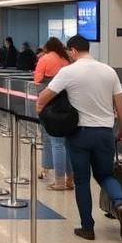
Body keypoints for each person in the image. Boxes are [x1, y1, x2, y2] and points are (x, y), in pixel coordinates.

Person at [36, 35, 122, 242]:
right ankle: (120, 204)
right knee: (106, 175)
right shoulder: (109, 71)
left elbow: (43, 97)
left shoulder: (69, 72)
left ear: (72, 51)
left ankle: (87, 228)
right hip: (105, 132)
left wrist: (46, 114)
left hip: (79, 133)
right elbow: (121, 106)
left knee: (82, 180)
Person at [33, 38, 73, 190]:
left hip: (51, 104)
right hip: (70, 103)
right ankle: (70, 179)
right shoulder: (68, 58)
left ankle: (59, 180)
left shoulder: (45, 59)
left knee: (55, 143)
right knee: (68, 142)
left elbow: (37, 79)